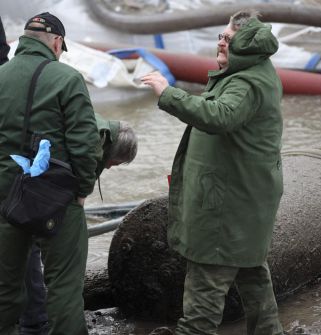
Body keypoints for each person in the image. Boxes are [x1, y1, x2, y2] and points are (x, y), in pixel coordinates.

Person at [142, 9, 285, 335]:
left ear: (245, 46)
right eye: (221, 36)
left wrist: (167, 92)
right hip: (245, 204)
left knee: (201, 305)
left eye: (228, 39)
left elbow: (218, 116)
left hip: (226, 211)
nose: (220, 42)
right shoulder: (250, 72)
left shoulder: (246, 83)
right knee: (254, 280)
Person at [0, 12, 101, 335]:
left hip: (5, 196)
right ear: (57, 43)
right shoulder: (67, 78)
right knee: (64, 289)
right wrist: (83, 190)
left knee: (4, 290)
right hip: (55, 199)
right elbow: (85, 145)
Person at [19, 113, 138, 335]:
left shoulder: (94, 124)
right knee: (57, 266)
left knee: (28, 254)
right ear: (112, 150)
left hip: (27, 185)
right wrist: (80, 198)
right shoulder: (94, 139)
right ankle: (42, 323)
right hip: (39, 192)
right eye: (114, 163)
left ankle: (33, 320)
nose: (110, 167)